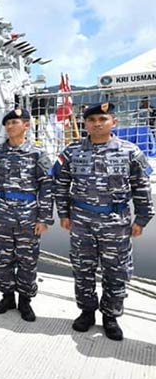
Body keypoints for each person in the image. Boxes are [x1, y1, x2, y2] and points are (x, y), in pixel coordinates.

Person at [53, 102, 153, 341]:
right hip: (82, 221)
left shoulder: (130, 151)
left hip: (116, 222)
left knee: (116, 270)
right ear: (85, 123)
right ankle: (87, 312)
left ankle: (111, 316)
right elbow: (61, 184)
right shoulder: (72, 152)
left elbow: (141, 187)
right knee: (82, 268)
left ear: (113, 122)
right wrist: (64, 214)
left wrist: (142, 218)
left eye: (102, 119)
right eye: (92, 120)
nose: (97, 124)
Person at [0, 107, 53, 322]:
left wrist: (44, 218)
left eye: (15, 122)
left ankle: (25, 300)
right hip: (1, 215)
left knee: (27, 260)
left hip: (27, 216)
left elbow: (46, 186)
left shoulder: (37, 153)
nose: (10, 126)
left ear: (26, 125)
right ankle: (7, 297)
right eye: (8, 123)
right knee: (2, 258)